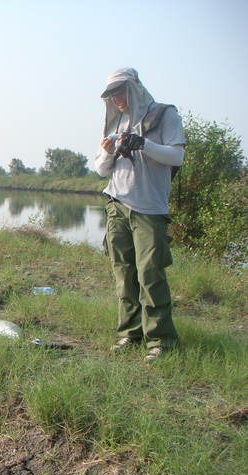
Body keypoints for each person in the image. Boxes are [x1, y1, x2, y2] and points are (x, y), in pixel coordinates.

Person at [95, 67, 185, 363]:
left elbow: (177, 156)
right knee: (123, 273)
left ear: (134, 87)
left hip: (149, 208)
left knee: (150, 274)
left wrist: (143, 143)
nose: (116, 98)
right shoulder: (117, 120)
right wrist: (108, 151)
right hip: (117, 204)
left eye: (120, 91)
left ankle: (161, 340)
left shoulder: (164, 115)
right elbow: (100, 169)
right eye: (111, 94)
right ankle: (129, 333)